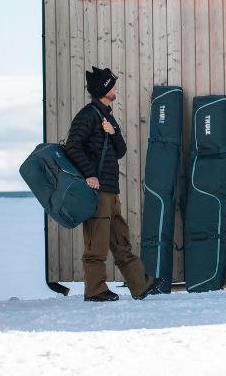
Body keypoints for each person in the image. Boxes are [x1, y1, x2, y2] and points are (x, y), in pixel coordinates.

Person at [65, 66, 162, 302]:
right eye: (112, 85)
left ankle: (141, 285)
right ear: (103, 89)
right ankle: (95, 290)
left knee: (121, 240)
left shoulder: (106, 116)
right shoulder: (88, 115)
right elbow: (72, 146)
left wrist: (113, 131)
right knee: (96, 245)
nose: (116, 88)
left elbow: (121, 150)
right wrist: (89, 174)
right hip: (96, 191)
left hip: (111, 191)